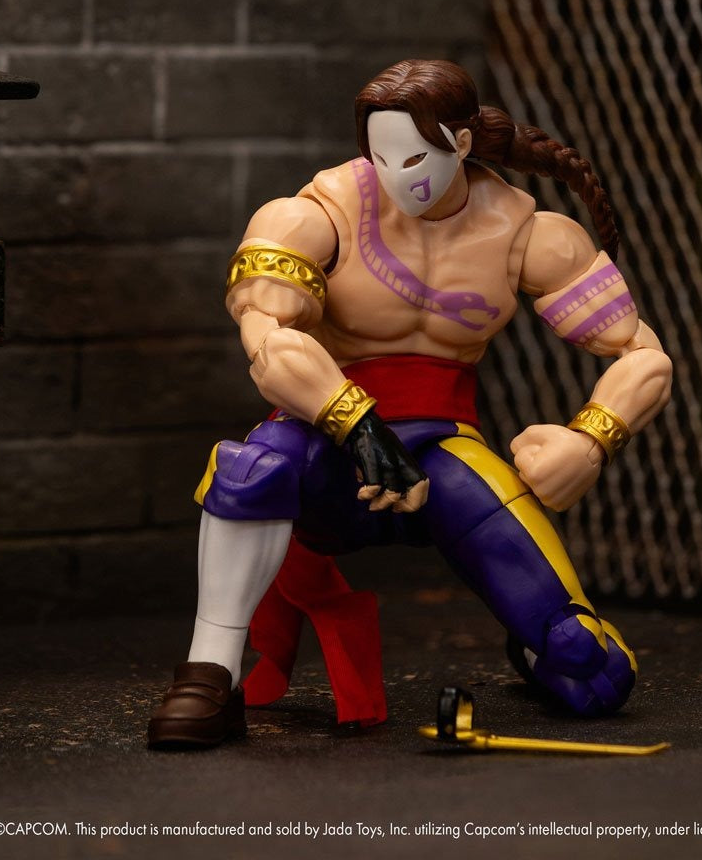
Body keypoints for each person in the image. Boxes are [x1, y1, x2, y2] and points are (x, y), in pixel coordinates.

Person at [147, 60, 673, 748]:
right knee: (251, 468)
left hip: (443, 450)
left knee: (594, 673)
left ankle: (539, 644)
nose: (398, 178)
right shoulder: (317, 214)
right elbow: (268, 339)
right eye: (381, 157)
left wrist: (592, 438)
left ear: (461, 142)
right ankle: (209, 674)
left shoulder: (526, 232)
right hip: (323, 437)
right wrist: (359, 427)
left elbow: (642, 354)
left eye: (416, 158)